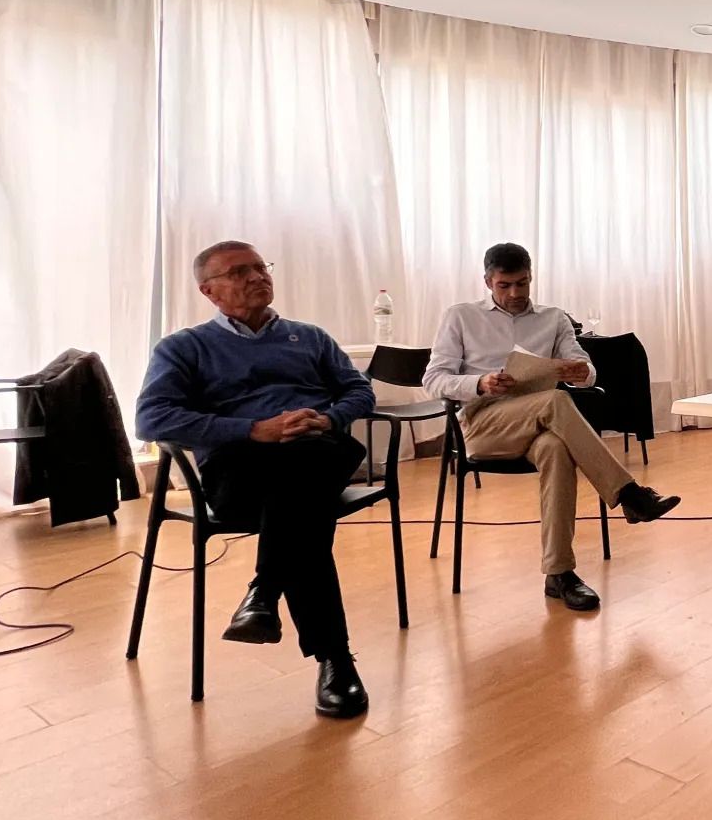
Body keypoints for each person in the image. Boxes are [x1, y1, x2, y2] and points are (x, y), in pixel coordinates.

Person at [134, 241, 377, 719]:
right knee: (305, 512)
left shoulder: (309, 337)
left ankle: (265, 593)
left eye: (259, 267)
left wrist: (328, 420)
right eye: (237, 272)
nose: (255, 277)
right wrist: (253, 430)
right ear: (209, 291)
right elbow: (151, 417)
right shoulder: (185, 347)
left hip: (318, 451)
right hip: (240, 472)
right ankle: (334, 661)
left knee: (310, 461)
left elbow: (358, 390)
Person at [423, 242, 679, 611]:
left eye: (522, 284)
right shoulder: (460, 316)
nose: (514, 293)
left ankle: (559, 573)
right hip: (484, 423)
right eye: (504, 285)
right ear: (487, 282)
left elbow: (587, 371)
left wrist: (582, 374)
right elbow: (433, 380)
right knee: (558, 401)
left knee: (557, 448)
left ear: (531, 277)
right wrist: (479, 383)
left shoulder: (553, 318)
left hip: (540, 424)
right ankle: (630, 495)